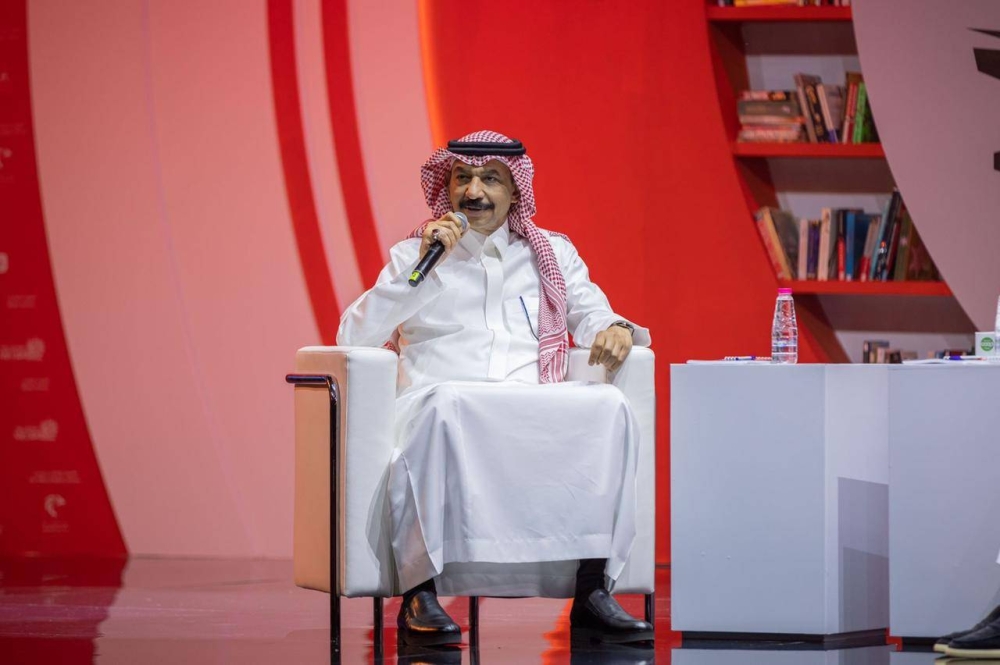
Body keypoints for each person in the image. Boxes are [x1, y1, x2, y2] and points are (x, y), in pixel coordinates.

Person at [338, 130, 653, 647]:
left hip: (526, 404)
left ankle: (592, 589)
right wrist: (421, 270)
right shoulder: (413, 254)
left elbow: (591, 311)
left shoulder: (551, 253)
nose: (473, 191)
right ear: (447, 187)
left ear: (515, 191)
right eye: (462, 178)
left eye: (490, 179)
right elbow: (353, 337)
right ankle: (419, 593)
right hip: (438, 400)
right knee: (446, 404)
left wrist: (614, 327)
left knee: (608, 405)